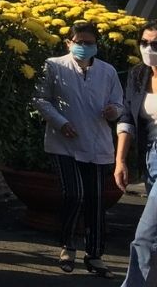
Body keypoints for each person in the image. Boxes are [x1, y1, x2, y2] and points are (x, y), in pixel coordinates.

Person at [35, 21, 123, 277]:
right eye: (80, 42)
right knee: (74, 195)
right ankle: (68, 246)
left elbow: (119, 103)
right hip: (64, 143)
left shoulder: (107, 72)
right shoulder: (54, 66)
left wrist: (113, 111)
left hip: (97, 143)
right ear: (69, 43)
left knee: (96, 201)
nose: (84, 47)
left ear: (96, 45)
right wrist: (60, 123)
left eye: (89, 43)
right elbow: (40, 98)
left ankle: (95, 255)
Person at [116, 21, 157, 286]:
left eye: (155, 44)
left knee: (146, 235)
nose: (148, 48)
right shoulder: (138, 74)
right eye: (144, 42)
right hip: (150, 157)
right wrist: (120, 160)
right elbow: (127, 117)